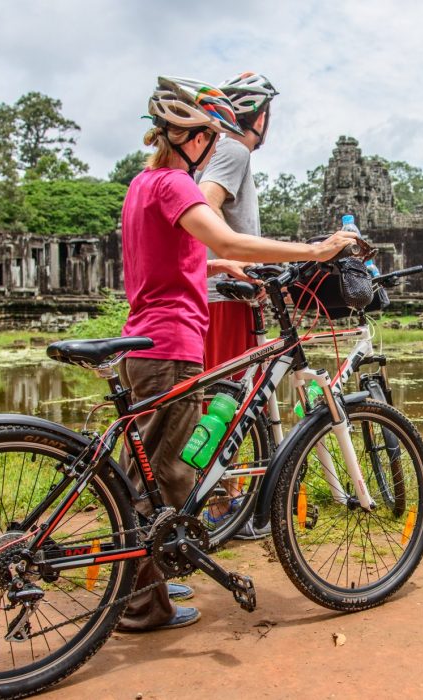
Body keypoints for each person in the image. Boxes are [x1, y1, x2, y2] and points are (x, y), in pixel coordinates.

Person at [115, 76, 358, 632]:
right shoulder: (176, 185)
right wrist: (316, 249)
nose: (210, 148)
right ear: (189, 137)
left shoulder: (141, 184)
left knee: (143, 473)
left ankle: (137, 578)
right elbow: (221, 237)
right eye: (208, 135)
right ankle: (141, 606)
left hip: (142, 339)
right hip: (172, 344)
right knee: (172, 474)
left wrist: (218, 269)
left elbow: (174, 259)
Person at [196, 72, 279, 540]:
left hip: (223, 297)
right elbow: (205, 207)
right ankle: (225, 504)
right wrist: (227, 263)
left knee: (224, 399)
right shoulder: (233, 149)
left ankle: (229, 499)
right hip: (224, 300)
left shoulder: (214, 151)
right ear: (260, 115)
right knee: (227, 401)